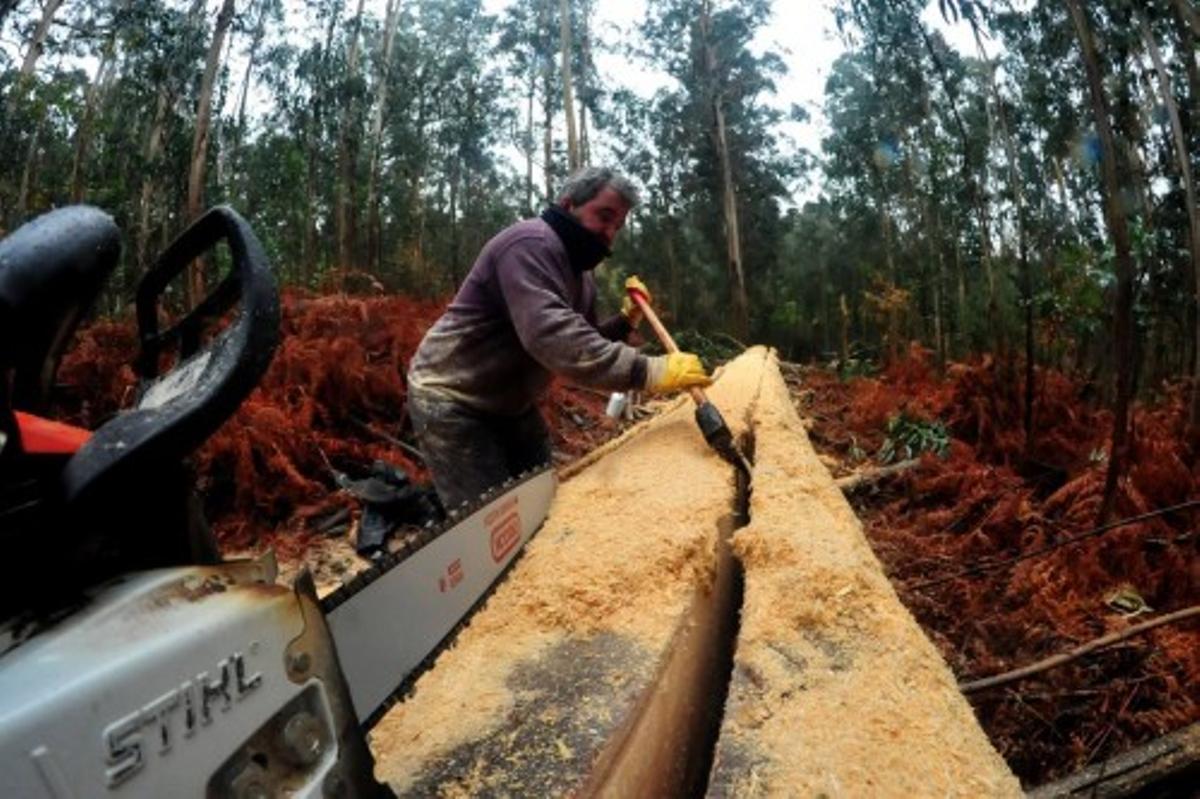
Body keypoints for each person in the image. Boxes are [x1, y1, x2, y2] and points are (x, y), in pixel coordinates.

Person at [406, 166, 711, 510]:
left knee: (541, 503)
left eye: (618, 226)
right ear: (568, 205)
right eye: (604, 216)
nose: (609, 233)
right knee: (491, 522)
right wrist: (648, 371)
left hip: (510, 404)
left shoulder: (581, 276)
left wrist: (625, 322)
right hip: (453, 399)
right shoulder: (529, 245)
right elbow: (552, 336)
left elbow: (584, 338)